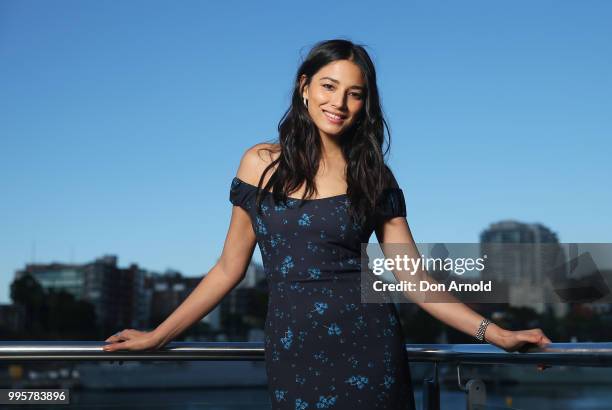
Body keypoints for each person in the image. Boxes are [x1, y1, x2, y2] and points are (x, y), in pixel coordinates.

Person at [102, 39, 552, 409]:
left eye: (354, 93)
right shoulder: (259, 163)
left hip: (370, 346)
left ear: (365, 103)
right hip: (292, 349)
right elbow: (228, 268)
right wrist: (158, 336)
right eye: (328, 86)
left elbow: (414, 280)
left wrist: (496, 334)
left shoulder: (374, 175)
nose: (338, 103)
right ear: (304, 87)